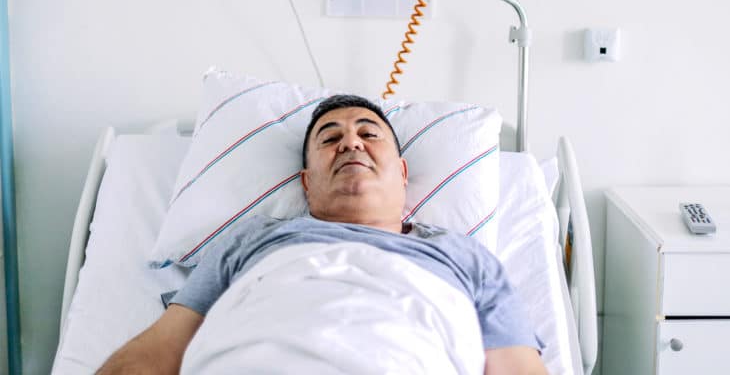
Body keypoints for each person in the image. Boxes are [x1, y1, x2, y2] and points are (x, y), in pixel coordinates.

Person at [97, 95, 547, 374]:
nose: (351, 143)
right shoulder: (251, 239)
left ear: (403, 173)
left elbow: (518, 369)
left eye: (369, 134)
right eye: (330, 139)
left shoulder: (465, 257)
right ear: (307, 182)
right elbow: (160, 350)